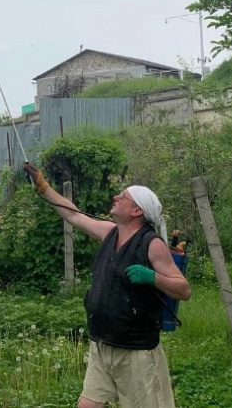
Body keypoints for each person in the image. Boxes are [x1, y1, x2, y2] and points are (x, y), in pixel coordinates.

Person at [24, 163, 191, 408]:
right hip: (102, 344)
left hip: (135, 351)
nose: (116, 197)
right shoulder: (109, 232)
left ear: (136, 211)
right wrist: (43, 186)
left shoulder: (150, 244)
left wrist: (152, 277)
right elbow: (72, 215)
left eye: (122, 197)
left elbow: (184, 290)